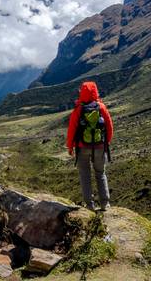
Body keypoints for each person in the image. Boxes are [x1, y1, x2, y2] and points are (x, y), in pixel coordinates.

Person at [66, 81, 113, 211]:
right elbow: (109, 126)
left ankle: (90, 205)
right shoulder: (101, 107)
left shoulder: (78, 109)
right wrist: (106, 142)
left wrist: (70, 147)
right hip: (99, 147)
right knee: (100, 173)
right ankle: (105, 203)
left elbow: (72, 130)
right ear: (95, 91)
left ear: (82, 92)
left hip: (82, 148)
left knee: (85, 175)